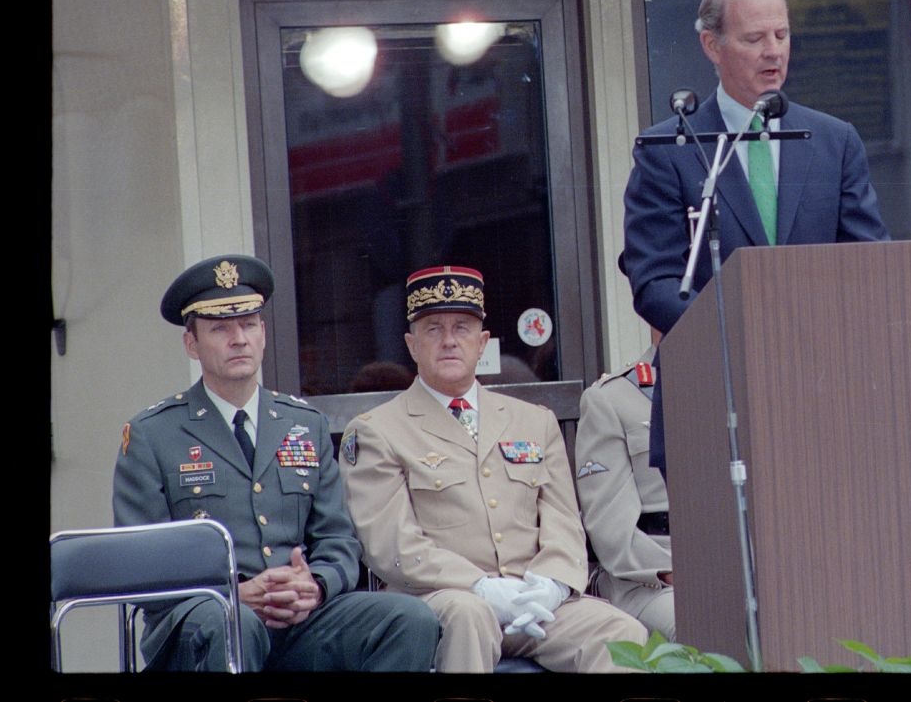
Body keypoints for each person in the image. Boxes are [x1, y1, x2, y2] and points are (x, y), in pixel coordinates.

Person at [113, 254, 439, 672]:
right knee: (234, 624)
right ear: (191, 344)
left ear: (263, 333)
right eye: (220, 328)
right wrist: (233, 594)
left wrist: (315, 586)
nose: (239, 339)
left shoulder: (306, 424)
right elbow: (141, 565)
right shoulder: (152, 434)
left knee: (409, 620)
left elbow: (339, 541)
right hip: (203, 623)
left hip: (301, 623)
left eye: (248, 324)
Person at [620, 0, 890, 468]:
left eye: (781, 35)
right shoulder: (670, 149)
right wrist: (743, 340)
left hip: (824, 393)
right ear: (711, 45)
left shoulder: (834, 141)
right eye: (754, 38)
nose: (773, 51)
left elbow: (867, 264)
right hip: (712, 395)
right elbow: (654, 281)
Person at [341, 265, 647, 673]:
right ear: (411, 345)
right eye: (433, 329)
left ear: (482, 342)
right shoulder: (377, 430)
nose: (449, 341)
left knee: (621, 633)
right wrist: (479, 585)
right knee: (471, 615)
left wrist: (553, 584)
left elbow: (563, 520)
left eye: (462, 328)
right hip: (444, 598)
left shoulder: (534, 421)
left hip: (532, 600)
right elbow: (391, 543)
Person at [575, 346, 676, 640]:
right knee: (708, 626)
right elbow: (609, 528)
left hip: (735, 567)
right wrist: (672, 571)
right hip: (649, 580)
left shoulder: (735, 382)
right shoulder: (612, 397)